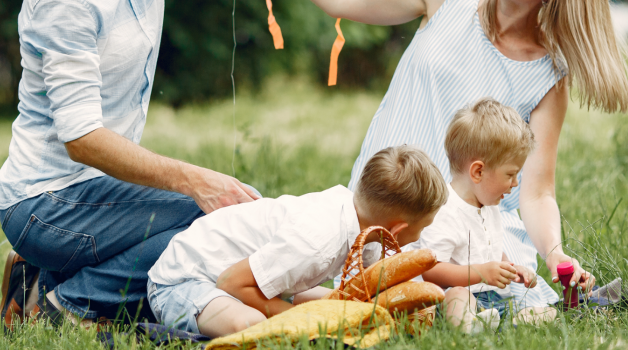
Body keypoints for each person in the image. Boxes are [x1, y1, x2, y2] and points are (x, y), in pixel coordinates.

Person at [0, 0, 394, 332]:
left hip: (95, 194)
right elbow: (82, 137)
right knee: (204, 225)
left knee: (219, 226)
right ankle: (61, 305)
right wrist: (194, 181)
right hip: (49, 205)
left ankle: (47, 280)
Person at [245, 0, 628, 309]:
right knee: (401, 297)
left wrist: (554, 252)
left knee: (471, 300)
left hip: (471, 238)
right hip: (391, 214)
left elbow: (535, 191)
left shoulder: (548, 75)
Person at [146, 145, 448, 338]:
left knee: (338, 307)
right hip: (187, 282)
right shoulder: (317, 242)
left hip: (250, 278)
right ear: (398, 229)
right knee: (252, 325)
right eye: (426, 226)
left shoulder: (364, 224)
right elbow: (230, 283)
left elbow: (366, 292)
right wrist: (304, 318)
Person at [415, 99, 556, 332]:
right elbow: (431, 271)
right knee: (458, 298)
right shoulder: (444, 210)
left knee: (545, 310)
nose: (514, 184)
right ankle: (470, 324)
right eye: (510, 174)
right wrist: (481, 273)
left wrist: (510, 267)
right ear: (478, 171)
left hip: (495, 299)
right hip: (458, 296)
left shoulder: (488, 204)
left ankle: (499, 323)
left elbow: (489, 249)